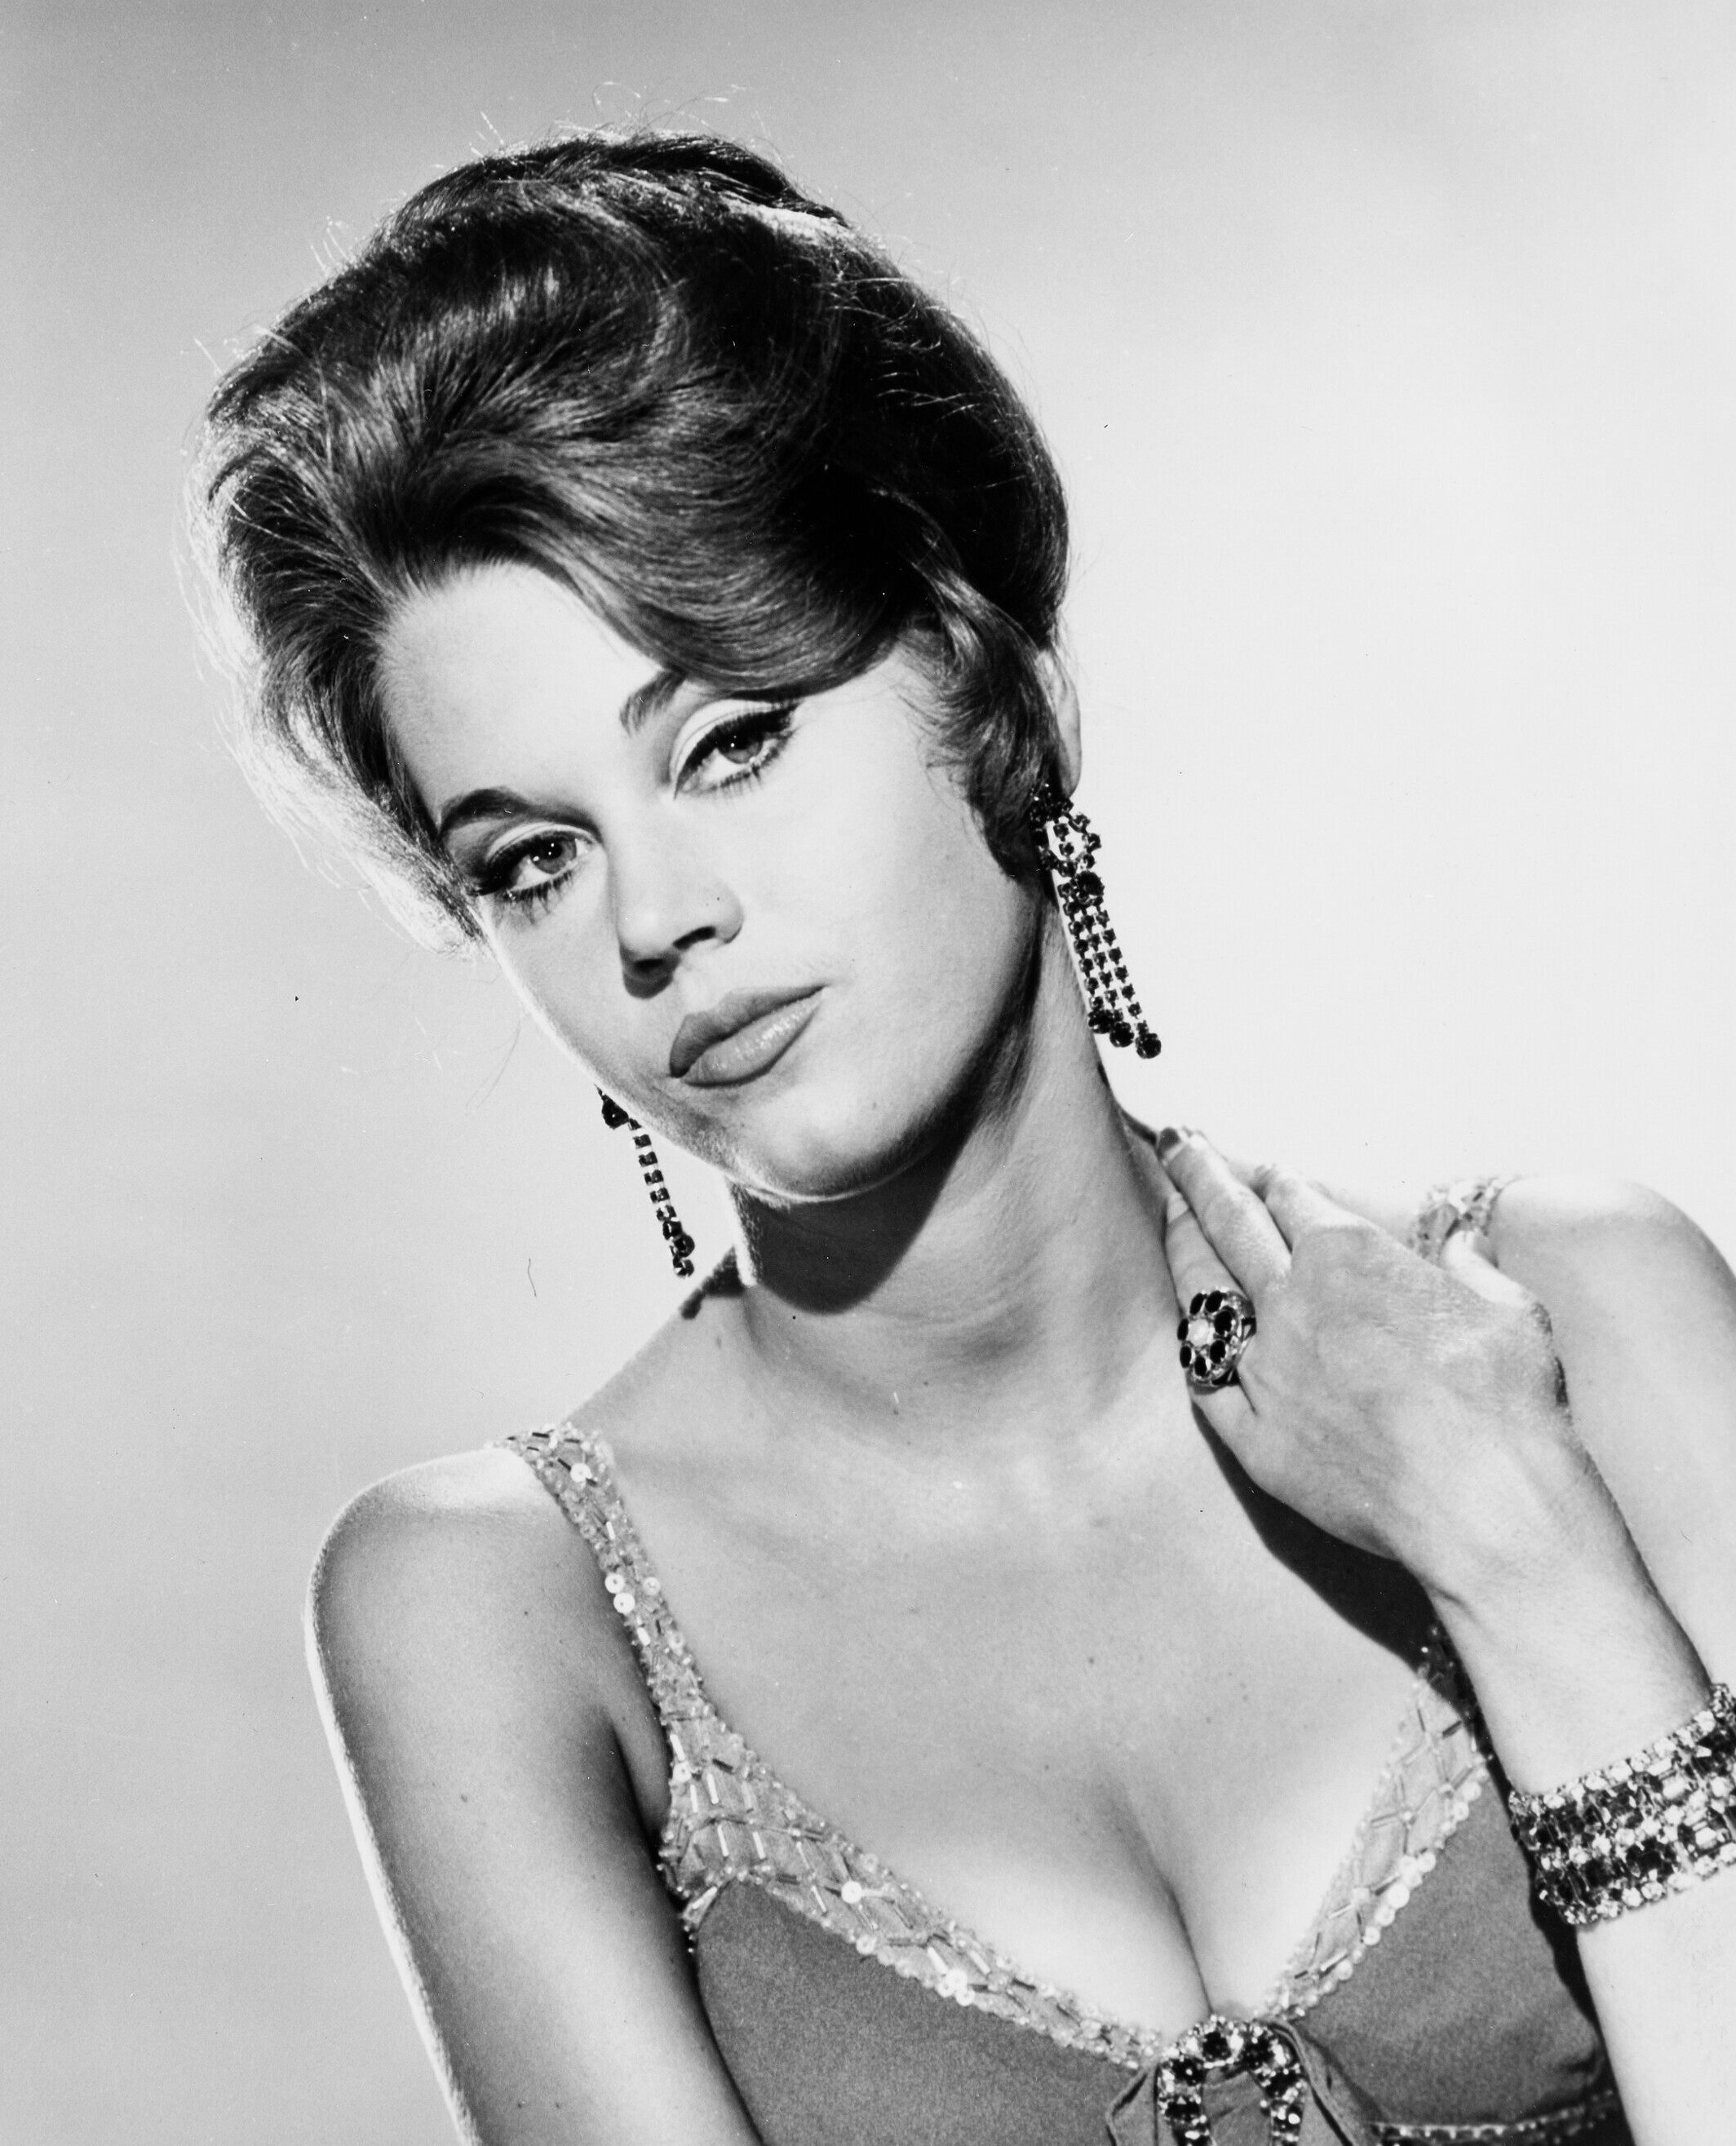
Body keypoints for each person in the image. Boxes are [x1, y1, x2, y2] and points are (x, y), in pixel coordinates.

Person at [193, 131, 1736, 2146]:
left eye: (730, 741)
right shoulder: (499, 1609)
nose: (652, 917)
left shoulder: (1572, 1325)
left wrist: (1525, 1557)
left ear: (988, 676)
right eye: (530, 858)